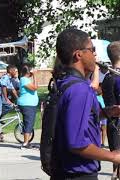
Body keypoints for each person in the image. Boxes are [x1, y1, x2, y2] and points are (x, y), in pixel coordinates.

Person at [51, 29, 120, 180]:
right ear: (79, 54)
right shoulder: (80, 90)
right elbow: (77, 143)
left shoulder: (66, 82)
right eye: (92, 49)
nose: (95, 55)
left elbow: (75, 117)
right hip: (77, 174)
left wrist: (109, 112)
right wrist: (113, 156)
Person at [101, 41, 120, 179]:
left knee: (116, 154)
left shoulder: (107, 78)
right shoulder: (116, 78)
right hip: (117, 120)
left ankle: (115, 173)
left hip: (111, 123)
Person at [0, 64, 19, 140]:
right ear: (10, 71)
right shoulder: (5, 77)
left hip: (0, 95)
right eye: (15, 71)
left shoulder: (9, 79)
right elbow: (3, 88)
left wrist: (18, 99)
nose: (16, 72)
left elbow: (13, 90)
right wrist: (6, 99)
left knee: (10, 106)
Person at [17, 65, 38, 149]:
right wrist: (35, 76)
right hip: (27, 104)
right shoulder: (24, 79)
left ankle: (27, 142)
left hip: (30, 104)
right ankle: (25, 143)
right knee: (28, 123)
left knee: (29, 123)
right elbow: (35, 88)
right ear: (29, 72)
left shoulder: (26, 79)